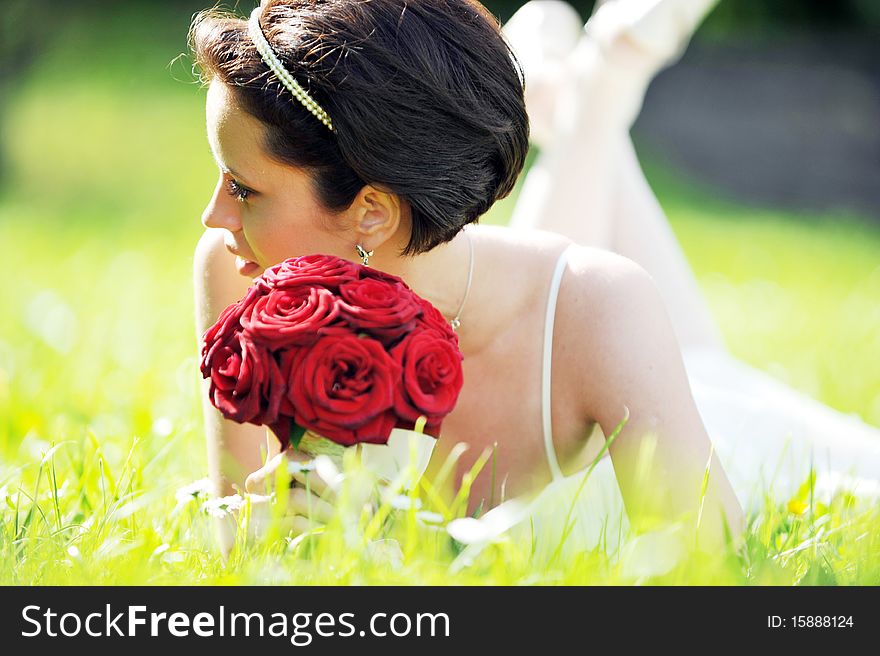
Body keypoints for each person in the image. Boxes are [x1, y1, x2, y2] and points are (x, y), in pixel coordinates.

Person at [190, 0, 767, 561]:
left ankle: (598, 92)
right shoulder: (237, 269)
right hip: (526, 302)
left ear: (371, 210)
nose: (213, 217)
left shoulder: (604, 308)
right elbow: (242, 553)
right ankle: (589, 92)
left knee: (587, 297)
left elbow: (711, 570)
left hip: (718, 412)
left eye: (243, 189)